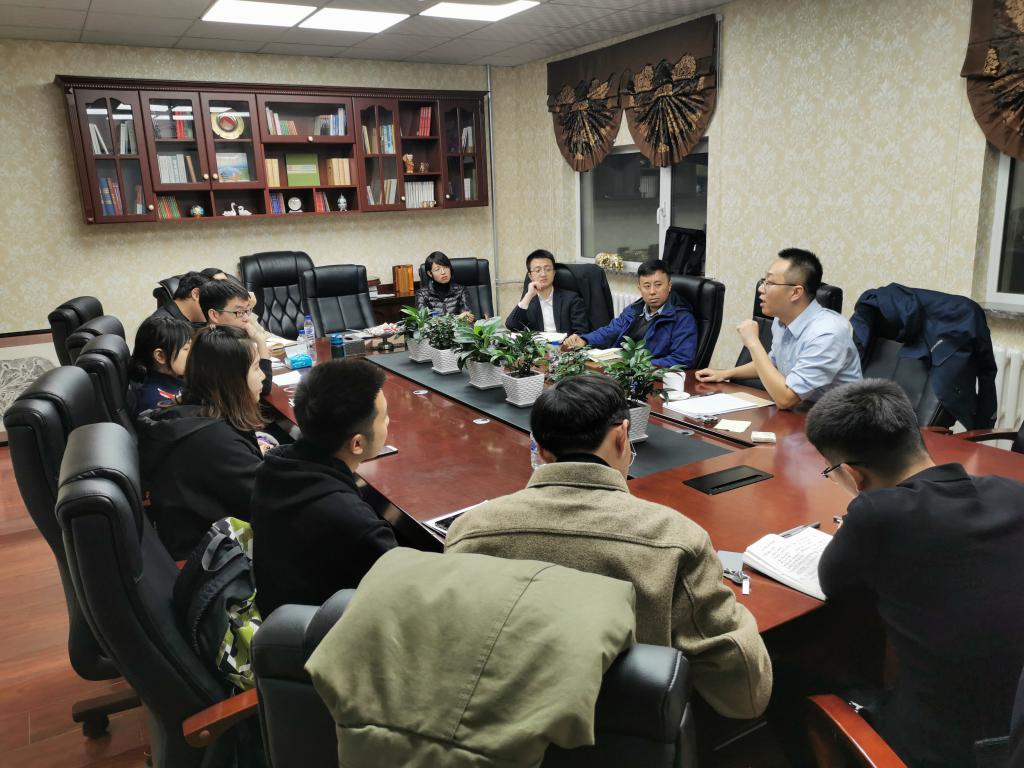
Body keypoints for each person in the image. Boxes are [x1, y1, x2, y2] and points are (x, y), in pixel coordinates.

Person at [445, 375, 772, 720]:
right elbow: (744, 694)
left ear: (540, 449)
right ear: (622, 434)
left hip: (501, 726)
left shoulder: (470, 531)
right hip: (629, 729)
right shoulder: (676, 539)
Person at [805, 379, 1024, 767]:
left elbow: (833, 584)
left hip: (946, 752)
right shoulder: (1013, 493)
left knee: (802, 680)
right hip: (1011, 730)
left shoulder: (876, 514)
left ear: (852, 476)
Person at [252, 359, 398, 616]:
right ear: (357, 444)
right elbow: (406, 590)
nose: (389, 421)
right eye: (384, 416)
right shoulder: (355, 523)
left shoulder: (274, 469)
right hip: (324, 631)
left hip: (280, 607)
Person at [136, 325, 266, 559]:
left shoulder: (190, 412)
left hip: (192, 539)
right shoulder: (216, 441)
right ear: (232, 379)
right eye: (257, 367)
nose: (263, 376)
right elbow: (269, 503)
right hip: (210, 559)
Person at [695, 248, 861, 408]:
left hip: (838, 421)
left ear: (796, 292)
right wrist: (725, 373)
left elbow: (786, 399)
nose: (761, 289)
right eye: (763, 281)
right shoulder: (782, 320)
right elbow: (773, 363)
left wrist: (753, 342)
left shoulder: (828, 334)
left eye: (769, 283)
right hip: (800, 413)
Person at [562, 259, 697, 368]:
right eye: (647, 286)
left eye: (658, 285)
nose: (652, 291)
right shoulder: (634, 309)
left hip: (650, 376)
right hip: (621, 368)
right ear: (640, 288)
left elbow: (682, 359)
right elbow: (610, 331)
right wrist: (585, 339)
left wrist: (636, 364)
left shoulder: (682, 318)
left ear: (669, 286)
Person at [199, 277, 273, 397]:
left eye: (247, 311)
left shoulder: (209, 336)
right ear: (214, 315)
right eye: (239, 312)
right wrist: (260, 341)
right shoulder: (219, 347)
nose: (246, 318)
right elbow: (263, 386)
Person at [505, 249, 588, 335]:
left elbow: (582, 330)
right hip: (537, 343)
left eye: (548, 269)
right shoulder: (528, 301)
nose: (543, 274)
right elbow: (512, 326)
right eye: (538, 270)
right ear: (530, 276)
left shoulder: (571, 299)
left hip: (564, 343)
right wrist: (528, 296)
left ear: (554, 273)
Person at [128, 315, 192, 416]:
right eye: (186, 349)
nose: (192, 353)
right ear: (160, 356)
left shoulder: (178, 380)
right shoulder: (155, 403)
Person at [414, 251, 475, 321]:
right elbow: (424, 322)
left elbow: (466, 318)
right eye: (437, 269)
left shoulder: (461, 290)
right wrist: (457, 318)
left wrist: (464, 318)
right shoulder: (422, 294)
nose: (443, 272)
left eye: (446, 267)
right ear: (430, 273)